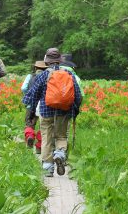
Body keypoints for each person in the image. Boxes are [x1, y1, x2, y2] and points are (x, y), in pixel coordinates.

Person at [23, 48, 82, 177]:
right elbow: (77, 94)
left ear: (47, 61)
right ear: (60, 60)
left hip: (46, 111)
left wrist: (31, 109)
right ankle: (60, 154)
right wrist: (76, 108)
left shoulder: (43, 75)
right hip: (64, 111)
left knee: (46, 138)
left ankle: (48, 168)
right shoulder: (68, 73)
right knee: (61, 136)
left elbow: (34, 94)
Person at [21, 61, 47, 153]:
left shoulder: (30, 76)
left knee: (29, 123)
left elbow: (23, 88)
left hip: (31, 104)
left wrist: (28, 95)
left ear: (35, 68)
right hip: (43, 105)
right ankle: (39, 147)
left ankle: (30, 137)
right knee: (42, 126)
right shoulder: (47, 76)